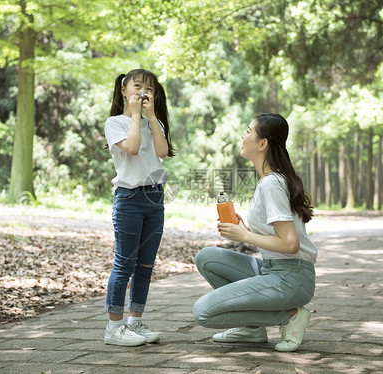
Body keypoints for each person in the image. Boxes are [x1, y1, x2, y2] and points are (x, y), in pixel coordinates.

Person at [192, 113, 317, 352]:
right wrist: (246, 229)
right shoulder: (271, 181)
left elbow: (290, 244)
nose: (243, 135)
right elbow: (279, 236)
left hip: (292, 277)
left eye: (249, 130)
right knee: (206, 258)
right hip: (274, 268)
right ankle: (251, 329)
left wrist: (245, 236)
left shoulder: (271, 184)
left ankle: (290, 315)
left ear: (263, 144)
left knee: (203, 312)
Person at [103, 68, 175, 346]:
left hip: (154, 198)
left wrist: (151, 117)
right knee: (124, 265)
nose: (142, 92)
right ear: (124, 90)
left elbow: (161, 151)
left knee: (145, 266)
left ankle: (135, 322)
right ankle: (114, 328)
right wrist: (135, 116)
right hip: (129, 199)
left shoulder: (153, 124)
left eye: (149, 88)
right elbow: (131, 149)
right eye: (137, 86)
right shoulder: (116, 123)